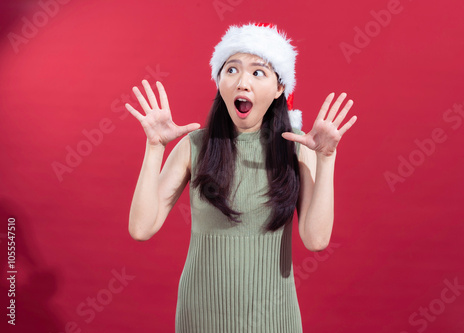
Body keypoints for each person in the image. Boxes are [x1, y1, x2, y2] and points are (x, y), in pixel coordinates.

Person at [125, 22, 357, 333]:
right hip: (201, 317)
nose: (242, 82)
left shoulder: (297, 148)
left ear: (279, 88)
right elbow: (141, 228)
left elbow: (316, 240)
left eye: (257, 72)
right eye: (231, 70)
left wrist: (326, 159)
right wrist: (154, 148)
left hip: (274, 320)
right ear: (219, 81)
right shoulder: (194, 147)